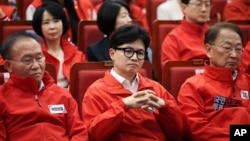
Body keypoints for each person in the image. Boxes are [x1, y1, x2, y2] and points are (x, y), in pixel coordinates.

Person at [82, 24, 190, 141]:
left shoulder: (155, 88)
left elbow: (180, 134)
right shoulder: (96, 92)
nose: (134, 58)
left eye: (140, 53)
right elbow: (93, 136)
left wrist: (165, 108)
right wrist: (123, 105)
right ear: (112, 54)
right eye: (128, 51)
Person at [0, 31, 88, 140]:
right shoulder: (2, 97)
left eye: (39, 58)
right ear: (8, 65)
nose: (36, 66)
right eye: (27, 61)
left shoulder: (62, 95)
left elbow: (79, 132)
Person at [178, 22, 250, 141]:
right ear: (209, 50)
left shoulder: (247, 82)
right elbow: (197, 130)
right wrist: (238, 136)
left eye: (238, 49)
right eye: (227, 48)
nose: (234, 55)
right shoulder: (192, 86)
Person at [32, 1, 87, 88]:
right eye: (46, 22)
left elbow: (83, 84)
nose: (52, 27)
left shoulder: (77, 54)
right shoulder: (33, 53)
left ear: (63, 23)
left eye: (56, 21)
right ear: (39, 27)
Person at [87, 0, 152, 63]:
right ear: (110, 19)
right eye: (124, 16)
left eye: (129, 15)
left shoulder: (139, 44)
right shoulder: (94, 50)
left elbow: (146, 70)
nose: (130, 20)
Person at [161, 0, 210, 65]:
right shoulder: (173, 38)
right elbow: (173, 72)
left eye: (207, 4)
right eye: (198, 4)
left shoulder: (217, 35)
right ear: (184, 8)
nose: (204, 9)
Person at [27, 0, 96, 44]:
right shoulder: (34, 8)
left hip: (81, 55)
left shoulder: (85, 4)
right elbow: (33, 41)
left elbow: (95, 34)